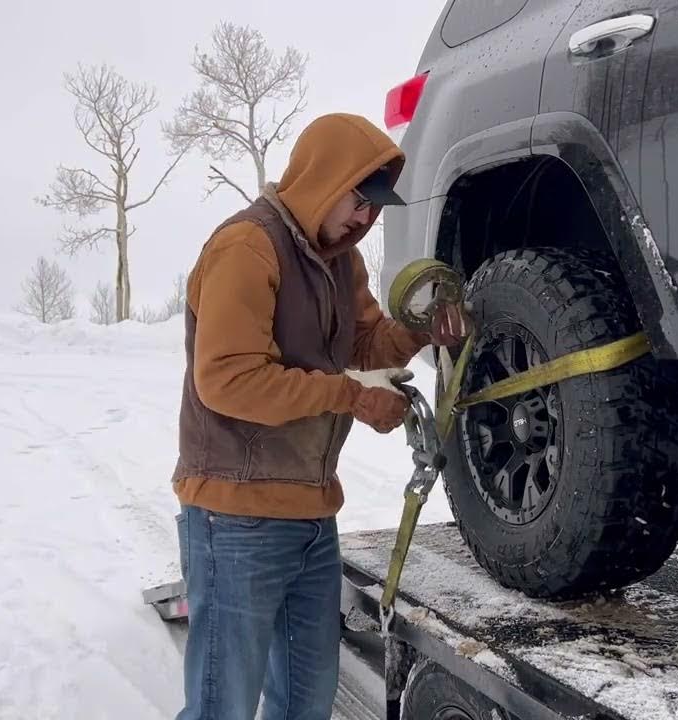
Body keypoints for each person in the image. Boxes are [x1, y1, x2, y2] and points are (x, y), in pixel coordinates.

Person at [172, 112, 470, 720]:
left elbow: (365, 344)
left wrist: (420, 330)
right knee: (222, 706)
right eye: (359, 200)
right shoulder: (246, 248)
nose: (366, 218)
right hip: (236, 517)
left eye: (376, 206)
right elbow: (227, 379)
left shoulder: (340, 261)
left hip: (312, 515)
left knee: (306, 703)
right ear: (322, 179)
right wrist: (352, 398)